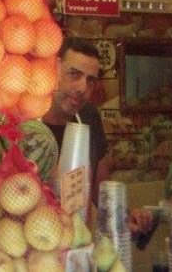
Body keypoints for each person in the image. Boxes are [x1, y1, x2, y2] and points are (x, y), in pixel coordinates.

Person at [43, 41, 154, 236]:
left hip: (77, 243)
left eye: (91, 80)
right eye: (74, 74)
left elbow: (100, 190)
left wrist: (126, 217)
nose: (82, 87)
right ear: (54, 69)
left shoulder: (89, 116)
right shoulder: (24, 121)